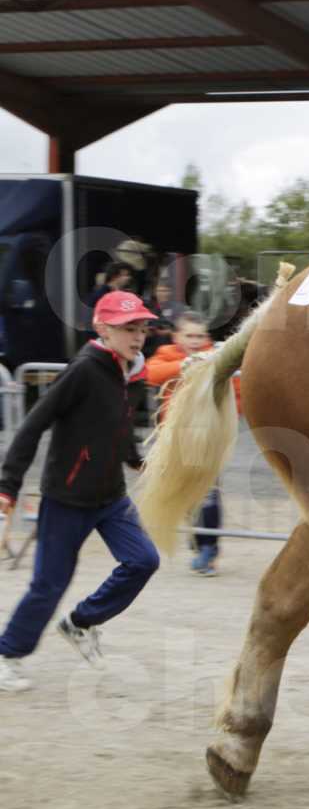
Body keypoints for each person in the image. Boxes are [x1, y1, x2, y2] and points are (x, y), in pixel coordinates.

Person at [0, 290, 163, 693]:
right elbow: (33, 424)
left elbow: (121, 427)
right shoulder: (85, 369)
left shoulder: (133, 371)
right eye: (128, 328)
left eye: (142, 327)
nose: (138, 335)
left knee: (143, 560)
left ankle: (80, 622)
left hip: (111, 498)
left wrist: (139, 462)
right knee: (49, 585)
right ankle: (8, 655)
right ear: (102, 328)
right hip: (67, 499)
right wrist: (8, 487)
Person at [146, 312, 231, 576]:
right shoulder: (166, 354)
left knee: (207, 491)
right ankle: (199, 542)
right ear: (177, 337)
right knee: (183, 490)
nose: (195, 341)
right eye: (189, 335)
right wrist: (185, 364)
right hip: (173, 437)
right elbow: (150, 373)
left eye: (199, 336)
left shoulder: (217, 358)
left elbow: (235, 390)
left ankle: (208, 547)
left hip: (206, 434)